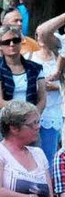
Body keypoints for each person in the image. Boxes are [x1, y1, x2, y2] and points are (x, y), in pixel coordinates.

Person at [0, 25, 45, 143]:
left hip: (30, 125)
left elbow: (42, 99)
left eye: (16, 40)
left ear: (21, 42)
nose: (12, 44)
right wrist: (24, 114)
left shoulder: (36, 68)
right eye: (7, 42)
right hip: (3, 125)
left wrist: (31, 118)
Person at [25, 30, 63, 163]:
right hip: (31, 111)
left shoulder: (60, 58)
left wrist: (57, 87)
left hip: (53, 112)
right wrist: (39, 85)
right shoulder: (28, 57)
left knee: (48, 157)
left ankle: (48, 183)